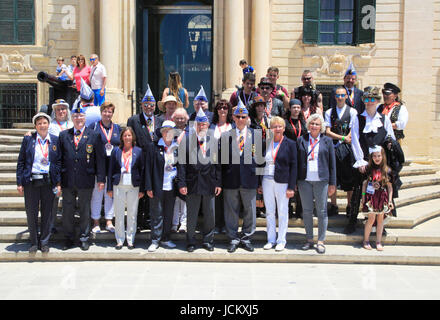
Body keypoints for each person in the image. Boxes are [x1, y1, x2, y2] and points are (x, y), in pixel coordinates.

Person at [344, 86, 396, 234]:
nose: (369, 102)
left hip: (380, 162)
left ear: (377, 101)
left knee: (381, 192)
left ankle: (380, 223)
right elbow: (354, 140)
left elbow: (389, 138)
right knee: (358, 192)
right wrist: (360, 161)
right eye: (367, 99)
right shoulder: (357, 119)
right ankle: (352, 221)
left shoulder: (384, 119)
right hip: (365, 162)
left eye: (372, 99)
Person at [59, 106, 106, 251]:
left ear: (85, 118)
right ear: (72, 118)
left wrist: (100, 178)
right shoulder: (64, 135)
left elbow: (100, 159)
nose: (78, 119)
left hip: (86, 178)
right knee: (67, 210)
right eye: (76, 116)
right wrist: (58, 180)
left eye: (81, 116)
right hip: (68, 179)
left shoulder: (94, 135)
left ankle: (84, 237)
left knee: (85, 209)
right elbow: (59, 159)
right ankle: (68, 237)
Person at [177, 109, 222, 252]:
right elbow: (182, 164)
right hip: (192, 182)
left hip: (209, 181)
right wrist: (182, 183)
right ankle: (190, 241)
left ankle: (208, 240)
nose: (201, 126)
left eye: (204, 124)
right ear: (194, 125)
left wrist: (218, 182)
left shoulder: (214, 141)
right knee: (192, 213)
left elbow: (217, 164)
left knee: (210, 213)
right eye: (199, 124)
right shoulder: (187, 140)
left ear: (208, 125)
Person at [16, 113, 61, 253]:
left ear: (49, 125)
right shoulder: (28, 139)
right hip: (31, 181)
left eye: (44, 123)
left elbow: (59, 162)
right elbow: (21, 161)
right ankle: (34, 242)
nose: (42, 125)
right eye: (39, 123)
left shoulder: (55, 140)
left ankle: (45, 242)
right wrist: (19, 182)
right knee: (31, 212)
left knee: (47, 213)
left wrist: (58, 182)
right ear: (35, 126)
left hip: (48, 181)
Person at [221, 102, 260, 253]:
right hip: (231, 179)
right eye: (238, 116)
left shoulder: (255, 135)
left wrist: (260, 182)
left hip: (249, 179)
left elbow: (259, 160)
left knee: (250, 211)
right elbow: (222, 162)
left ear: (247, 118)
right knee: (231, 211)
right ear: (233, 117)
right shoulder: (226, 136)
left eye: (243, 116)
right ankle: (232, 238)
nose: (240, 119)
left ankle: (247, 238)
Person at [297, 113, 336, 254]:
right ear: (308, 125)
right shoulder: (301, 140)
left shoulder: (327, 141)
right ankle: (309, 239)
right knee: (307, 211)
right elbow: (297, 161)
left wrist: (333, 183)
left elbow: (332, 164)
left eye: (317, 124)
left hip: (322, 180)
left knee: (322, 211)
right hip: (304, 181)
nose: (314, 126)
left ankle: (321, 240)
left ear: (321, 127)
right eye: (312, 123)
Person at [127, 85, 164, 231]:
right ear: (142, 105)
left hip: (154, 162)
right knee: (139, 191)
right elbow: (130, 140)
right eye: (146, 104)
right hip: (139, 160)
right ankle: (137, 221)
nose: (149, 107)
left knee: (151, 191)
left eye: (151, 105)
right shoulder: (134, 120)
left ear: (155, 106)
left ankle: (148, 219)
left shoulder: (159, 120)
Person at [259, 116, 297, 252]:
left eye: (280, 126)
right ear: (270, 129)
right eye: (274, 126)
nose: (277, 129)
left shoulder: (290, 144)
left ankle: (281, 240)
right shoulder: (265, 143)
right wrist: (259, 183)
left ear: (284, 128)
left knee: (282, 211)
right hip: (266, 181)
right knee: (269, 212)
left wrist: (291, 187)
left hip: (283, 182)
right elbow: (260, 162)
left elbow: (294, 166)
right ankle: (271, 239)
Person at [108, 127, 145, 250]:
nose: (127, 138)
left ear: (133, 137)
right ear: (122, 137)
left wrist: (142, 189)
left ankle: (130, 240)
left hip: (133, 186)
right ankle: (119, 240)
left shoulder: (138, 151)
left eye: (129, 135)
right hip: (119, 184)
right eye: (125, 135)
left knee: (132, 213)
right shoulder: (116, 151)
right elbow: (110, 170)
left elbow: (142, 170)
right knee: (118, 213)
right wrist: (109, 188)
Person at [145, 121, 180, 252]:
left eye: (170, 131)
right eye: (165, 131)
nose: (168, 133)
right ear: (161, 133)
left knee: (168, 214)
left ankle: (166, 238)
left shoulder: (177, 147)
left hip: (171, 187)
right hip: (157, 186)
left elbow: (180, 167)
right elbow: (148, 168)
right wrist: (148, 187)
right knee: (156, 214)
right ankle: (155, 240)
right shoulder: (153, 147)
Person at [324, 86, 358, 216]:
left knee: (349, 177)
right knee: (333, 177)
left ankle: (349, 205)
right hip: (333, 148)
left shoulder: (352, 112)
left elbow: (352, 131)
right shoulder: (329, 112)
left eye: (342, 95)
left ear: (346, 97)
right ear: (335, 97)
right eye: (337, 95)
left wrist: (346, 138)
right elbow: (327, 132)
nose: (340, 97)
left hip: (348, 150)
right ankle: (333, 205)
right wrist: (343, 138)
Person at [89, 102, 121, 234]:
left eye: (110, 112)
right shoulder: (94, 126)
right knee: (97, 194)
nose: (107, 114)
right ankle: (95, 222)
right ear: (101, 112)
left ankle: (109, 221)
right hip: (98, 167)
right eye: (105, 111)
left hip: (112, 167)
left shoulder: (118, 128)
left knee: (110, 195)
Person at [361, 145, 393, 251]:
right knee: (371, 219)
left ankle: (378, 241)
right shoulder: (368, 169)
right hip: (371, 197)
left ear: (382, 156)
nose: (377, 158)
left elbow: (390, 187)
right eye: (374, 156)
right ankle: (366, 240)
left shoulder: (387, 170)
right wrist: (363, 198)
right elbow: (365, 184)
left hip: (381, 198)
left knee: (380, 220)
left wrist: (390, 200)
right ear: (371, 157)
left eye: (379, 156)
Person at [47, 99, 73, 234]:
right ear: (54, 111)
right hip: (55, 165)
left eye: (63, 109)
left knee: (69, 197)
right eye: (58, 109)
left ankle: (68, 225)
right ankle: (50, 224)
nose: (61, 111)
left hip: (69, 166)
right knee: (53, 197)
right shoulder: (50, 125)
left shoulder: (72, 124)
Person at [210, 100, 234, 233]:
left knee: (228, 196)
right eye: (220, 108)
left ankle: (226, 224)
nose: (223, 110)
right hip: (214, 165)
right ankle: (217, 224)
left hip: (229, 165)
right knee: (217, 196)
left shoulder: (233, 126)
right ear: (216, 110)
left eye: (225, 108)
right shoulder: (212, 126)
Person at [284, 98, 307, 218]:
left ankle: (300, 210)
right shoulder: (285, 122)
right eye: (294, 107)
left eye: (298, 107)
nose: (296, 109)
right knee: (288, 182)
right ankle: (288, 209)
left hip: (300, 156)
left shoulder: (303, 122)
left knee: (300, 182)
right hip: (288, 155)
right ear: (290, 108)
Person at [249, 95, 270, 219]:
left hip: (265, 153)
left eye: (262, 105)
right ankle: (256, 207)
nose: (260, 108)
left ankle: (262, 206)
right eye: (258, 106)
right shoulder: (251, 121)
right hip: (254, 153)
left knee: (263, 179)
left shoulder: (267, 120)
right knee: (255, 179)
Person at [171, 108, 190, 232]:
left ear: (186, 119)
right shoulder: (170, 132)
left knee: (184, 196)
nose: (180, 120)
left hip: (186, 167)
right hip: (172, 167)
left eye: (182, 118)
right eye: (177, 118)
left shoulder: (190, 132)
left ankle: (183, 223)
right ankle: (174, 223)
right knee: (174, 197)